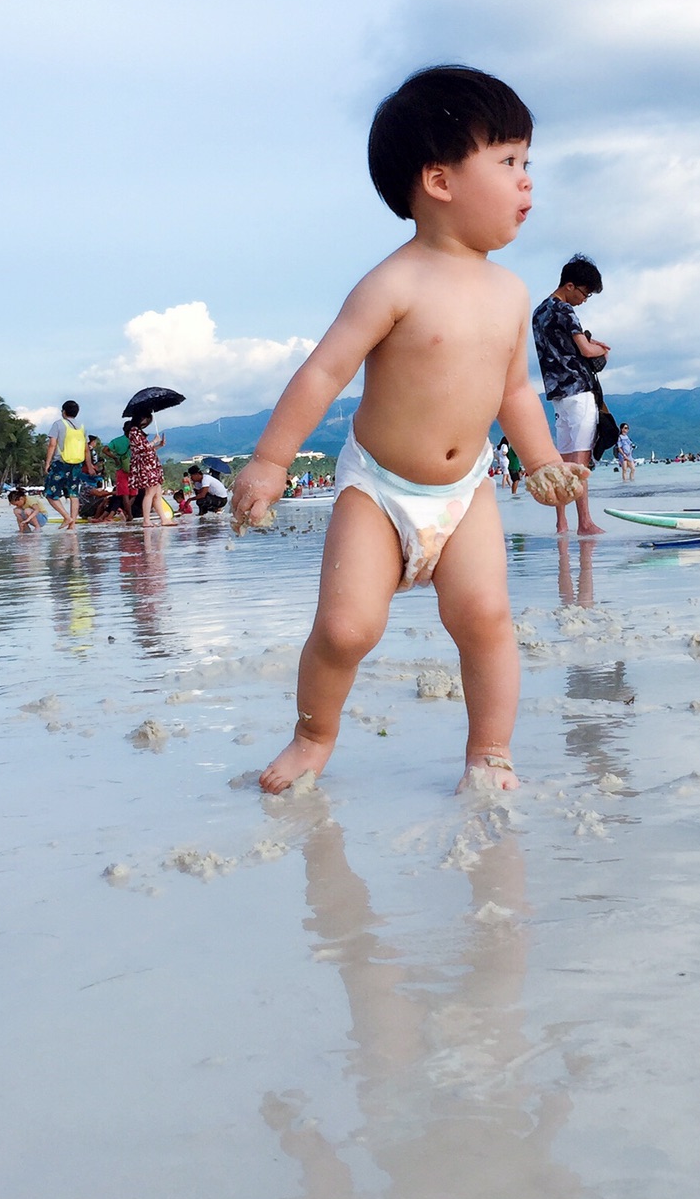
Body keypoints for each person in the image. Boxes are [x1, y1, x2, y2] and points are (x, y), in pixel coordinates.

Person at [229, 65, 586, 797]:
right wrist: (270, 462)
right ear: (440, 180)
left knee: (485, 617)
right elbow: (323, 374)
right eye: (509, 162)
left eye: (528, 164)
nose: (527, 183)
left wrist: (542, 457)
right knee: (347, 631)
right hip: (379, 489)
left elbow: (514, 389)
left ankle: (490, 753)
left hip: (467, 490)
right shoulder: (393, 283)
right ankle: (313, 735)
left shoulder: (511, 293)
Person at [531, 255, 608, 536]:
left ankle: (561, 522)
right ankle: (585, 522)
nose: (584, 300)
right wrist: (601, 348)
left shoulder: (539, 312)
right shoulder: (565, 311)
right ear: (570, 286)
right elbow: (586, 352)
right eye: (585, 293)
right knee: (580, 460)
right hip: (578, 389)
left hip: (557, 394)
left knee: (562, 460)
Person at [43, 400, 90, 529]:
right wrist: (89, 466)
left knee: (50, 493)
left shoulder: (58, 424)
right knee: (73, 494)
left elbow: (52, 444)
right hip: (76, 463)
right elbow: (86, 449)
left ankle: (66, 517)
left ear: (63, 411)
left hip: (61, 462)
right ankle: (72, 524)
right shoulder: (82, 426)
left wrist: (47, 463)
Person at [124, 410, 167, 527]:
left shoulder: (138, 432)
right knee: (150, 493)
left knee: (157, 493)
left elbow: (147, 450)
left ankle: (164, 518)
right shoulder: (134, 432)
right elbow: (141, 449)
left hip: (151, 465)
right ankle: (146, 520)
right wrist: (154, 441)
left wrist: (159, 445)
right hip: (146, 466)